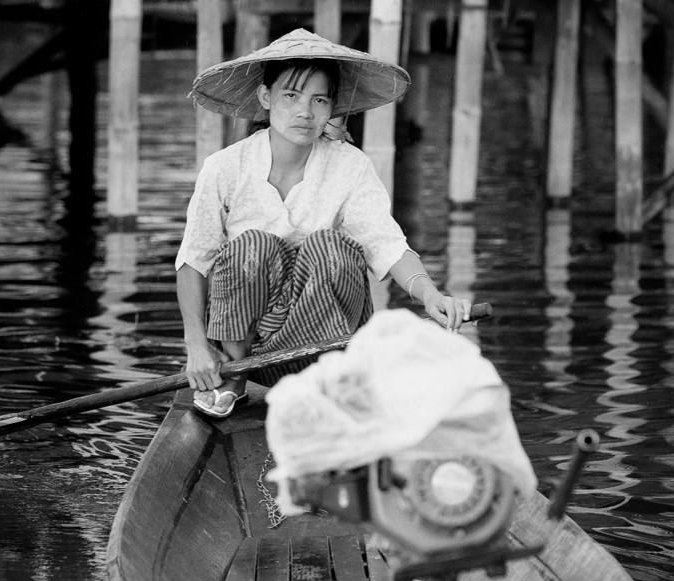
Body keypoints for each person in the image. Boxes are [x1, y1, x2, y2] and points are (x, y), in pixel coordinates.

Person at [176, 29, 473, 418]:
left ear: (331, 107)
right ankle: (235, 378)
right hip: (245, 355)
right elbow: (194, 259)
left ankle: (330, 382)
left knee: (328, 246)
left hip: (321, 343)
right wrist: (196, 345)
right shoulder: (225, 168)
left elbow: (385, 243)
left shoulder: (349, 165)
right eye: (291, 96)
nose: (305, 111)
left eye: (319, 100)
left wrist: (432, 296)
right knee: (252, 245)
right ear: (266, 98)